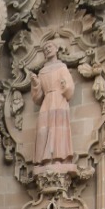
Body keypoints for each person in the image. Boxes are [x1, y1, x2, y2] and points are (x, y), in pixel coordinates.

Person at [29, 40, 75, 172]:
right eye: (45, 49)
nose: (47, 50)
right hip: (47, 102)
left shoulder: (62, 67)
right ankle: (43, 159)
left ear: (56, 49)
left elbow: (70, 88)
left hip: (59, 100)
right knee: (43, 130)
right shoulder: (42, 71)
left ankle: (59, 158)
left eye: (49, 47)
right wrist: (36, 83)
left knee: (58, 129)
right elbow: (38, 98)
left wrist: (65, 85)